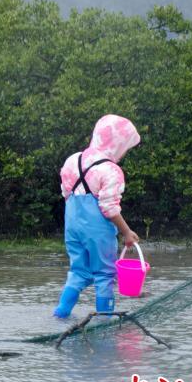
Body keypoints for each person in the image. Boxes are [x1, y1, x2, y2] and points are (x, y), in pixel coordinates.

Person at [53, 114, 141, 318]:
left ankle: (60, 314)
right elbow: (109, 208)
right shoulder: (111, 170)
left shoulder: (72, 160)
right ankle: (105, 321)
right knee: (104, 275)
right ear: (118, 143)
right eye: (126, 147)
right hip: (97, 231)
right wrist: (127, 232)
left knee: (78, 272)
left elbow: (66, 193)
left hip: (73, 226)